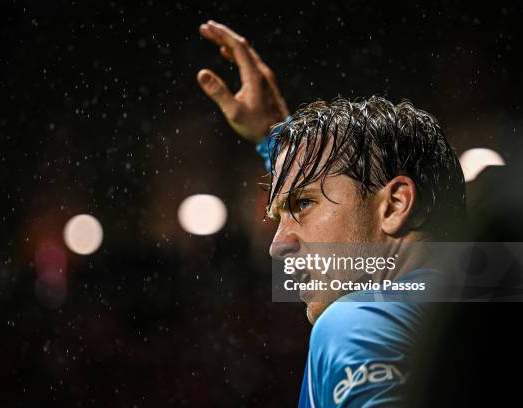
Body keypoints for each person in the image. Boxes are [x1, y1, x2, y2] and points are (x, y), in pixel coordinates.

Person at [197, 20, 467, 407]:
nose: (278, 245)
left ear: (394, 205)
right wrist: (277, 137)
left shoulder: (357, 322)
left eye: (303, 205)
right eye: (279, 217)